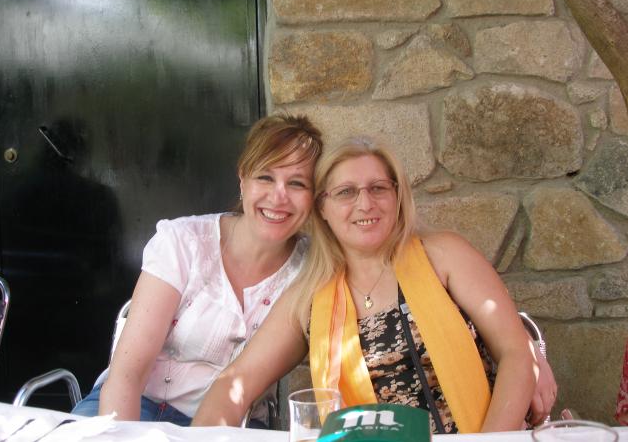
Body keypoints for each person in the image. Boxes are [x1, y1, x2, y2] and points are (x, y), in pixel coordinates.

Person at [192, 135, 556, 433]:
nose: (365, 204)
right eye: (346, 192)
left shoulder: (444, 256)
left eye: (378, 188)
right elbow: (234, 384)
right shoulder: (310, 297)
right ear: (323, 207)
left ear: (397, 197)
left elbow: (516, 352)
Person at [71, 114, 323, 426]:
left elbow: (237, 391)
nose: (278, 196)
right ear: (243, 179)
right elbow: (127, 375)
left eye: (297, 183)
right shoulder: (183, 242)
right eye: (265, 177)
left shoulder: (311, 272)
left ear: (314, 196)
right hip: (135, 404)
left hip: (234, 421)